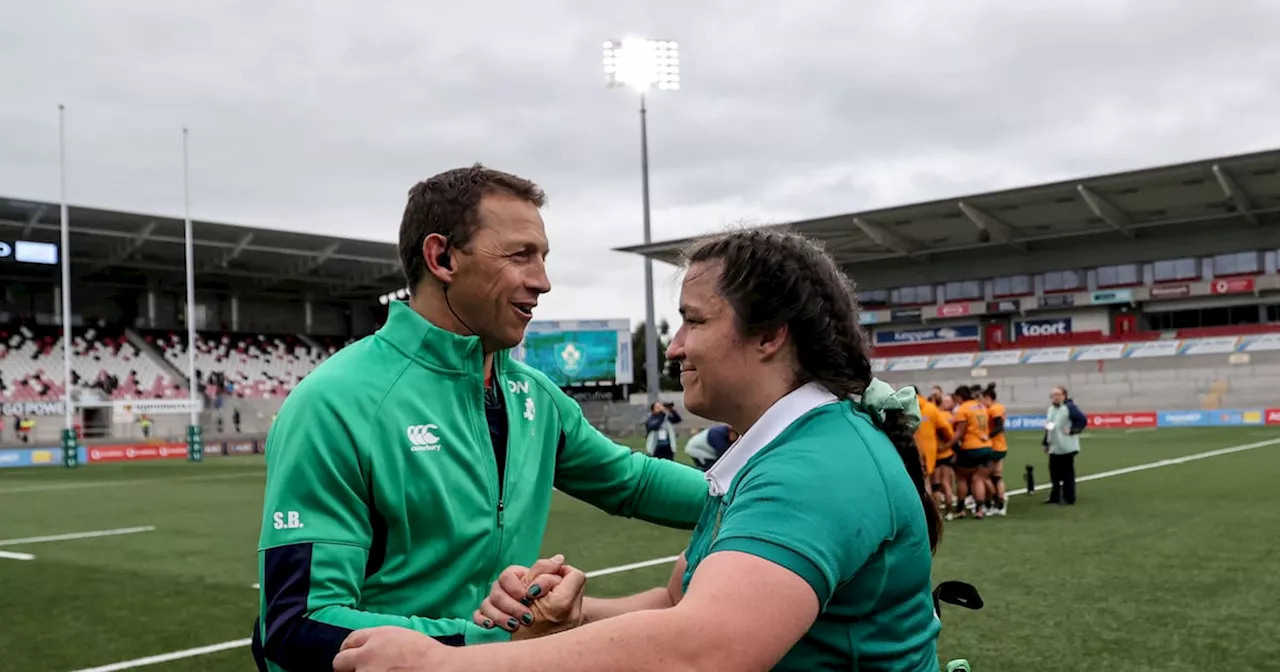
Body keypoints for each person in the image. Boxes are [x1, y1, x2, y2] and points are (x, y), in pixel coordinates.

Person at [332, 229, 945, 672]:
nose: (674, 348)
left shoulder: (816, 468)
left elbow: (704, 649)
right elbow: (676, 602)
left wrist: (441, 664)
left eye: (693, 321)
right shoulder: (782, 451)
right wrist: (572, 616)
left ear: (769, 335)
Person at [251, 164, 709, 672]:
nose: (543, 282)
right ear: (442, 257)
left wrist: (763, 500)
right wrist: (491, 645)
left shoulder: (534, 396)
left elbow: (631, 482)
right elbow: (297, 624)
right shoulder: (335, 403)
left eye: (544, 257)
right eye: (520, 255)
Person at [949, 386, 992, 520]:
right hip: (986, 446)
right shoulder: (980, 406)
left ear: (959, 397)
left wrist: (946, 446)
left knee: (962, 478)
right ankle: (979, 510)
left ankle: (960, 509)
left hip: (970, 447)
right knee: (978, 479)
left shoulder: (963, 409)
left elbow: (959, 433)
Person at [1043, 385, 1087, 505]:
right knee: (1054, 473)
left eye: (1058, 395)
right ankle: (1055, 496)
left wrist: (1073, 430)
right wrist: (1045, 443)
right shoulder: (1051, 409)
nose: (1055, 397)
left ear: (1064, 396)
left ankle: (1069, 497)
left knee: (1067, 473)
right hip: (1054, 446)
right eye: (1053, 395)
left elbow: (1082, 419)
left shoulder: (1069, 407)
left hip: (1066, 446)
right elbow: (1049, 427)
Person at [914, 389, 954, 508]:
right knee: (936, 483)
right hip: (933, 452)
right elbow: (945, 429)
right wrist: (948, 443)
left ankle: (926, 509)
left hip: (913, 450)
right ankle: (938, 510)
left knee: (922, 483)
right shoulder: (931, 408)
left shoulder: (905, 409)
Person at [980, 383, 1008, 516]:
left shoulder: (993, 409)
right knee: (997, 476)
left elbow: (999, 426)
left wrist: (988, 436)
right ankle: (1000, 504)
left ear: (987, 397)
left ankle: (994, 501)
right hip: (1001, 446)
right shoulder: (1000, 407)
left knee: (984, 476)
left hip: (994, 447)